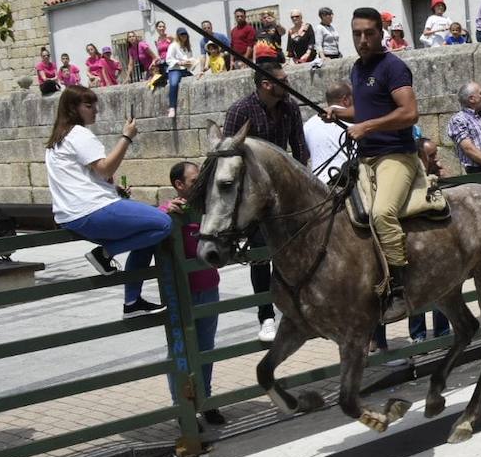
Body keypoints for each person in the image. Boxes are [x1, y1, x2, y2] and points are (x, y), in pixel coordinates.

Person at [333, 8, 448, 323]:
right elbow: (367, 109)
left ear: (381, 32)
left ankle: (398, 289)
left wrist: (366, 127)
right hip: (366, 158)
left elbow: (409, 113)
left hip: (395, 156)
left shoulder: (393, 67)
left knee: (382, 213)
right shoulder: (357, 68)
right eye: (357, 33)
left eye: (369, 33)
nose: (363, 40)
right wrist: (342, 114)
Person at [44, 86, 171, 315]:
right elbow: (105, 168)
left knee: (147, 238)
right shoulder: (79, 134)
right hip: (91, 210)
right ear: (73, 108)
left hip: (71, 215)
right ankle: (104, 254)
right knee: (163, 223)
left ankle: (132, 303)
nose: (95, 111)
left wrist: (112, 187)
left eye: (95, 105)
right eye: (89, 106)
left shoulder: (58, 139)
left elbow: (82, 176)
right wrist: (126, 137)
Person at [224, 62, 310, 341]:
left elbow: (299, 151)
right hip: (254, 196)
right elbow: (227, 156)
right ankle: (266, 317)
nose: (288, 84)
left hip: (284, 195)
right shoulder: (241, 110)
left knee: (293, 255)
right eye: (283, 80)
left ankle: (297, 310)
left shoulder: (291, 108)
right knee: (261, 257)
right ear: (266, 84)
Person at [161, 161, 224, 426]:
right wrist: (164, 210)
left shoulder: (208, 208)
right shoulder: (170, 211)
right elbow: (155, 222)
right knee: (181, 352)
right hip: (181, 294)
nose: (200, 183)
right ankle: (183, 408)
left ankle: (205, 400)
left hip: (209, 288)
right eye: (194, 180)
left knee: (205, 349)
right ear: (179, 185)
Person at [409, 137, 454, 342]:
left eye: (436, 154)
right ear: (420, 156)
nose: (436, 159)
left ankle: (442, 333)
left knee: (442, 288)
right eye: (432, 155)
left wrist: (444, 177)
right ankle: (418, 335)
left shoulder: (437, 173)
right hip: (418, 243)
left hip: (439, 242)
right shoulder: (410, 177)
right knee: (417, 289)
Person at [303, 81, 352, 178]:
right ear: (346, 100)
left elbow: (305, 155)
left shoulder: (308, 125)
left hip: (319, 184)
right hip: (348, 180)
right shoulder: (354, 121)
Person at [163, 27, 195, 118]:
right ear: (178, 36)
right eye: (181, 34)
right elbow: (168, 59)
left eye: (184, 34)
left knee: (196, 79)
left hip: (185, 69)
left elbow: (189, 58)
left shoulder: (188, 47)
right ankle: (172, 107)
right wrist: (179, 62)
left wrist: (190, 62)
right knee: (174, 83)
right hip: (175, 69)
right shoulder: (173, 45)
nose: (183, 36)